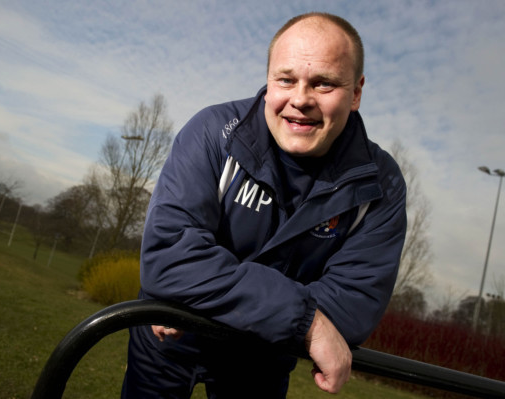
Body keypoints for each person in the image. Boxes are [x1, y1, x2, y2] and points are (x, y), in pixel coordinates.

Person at [122, 12, 407, 398]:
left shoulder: (381, 184)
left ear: (356, 92)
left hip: (262, 355)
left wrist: (200, 296)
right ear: (269, 80)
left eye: (324, 84)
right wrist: (307, 322)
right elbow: (169, 257)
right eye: (286, 80)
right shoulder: (212, 132)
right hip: (170, 332)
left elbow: (353, 306)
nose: (300, 99)